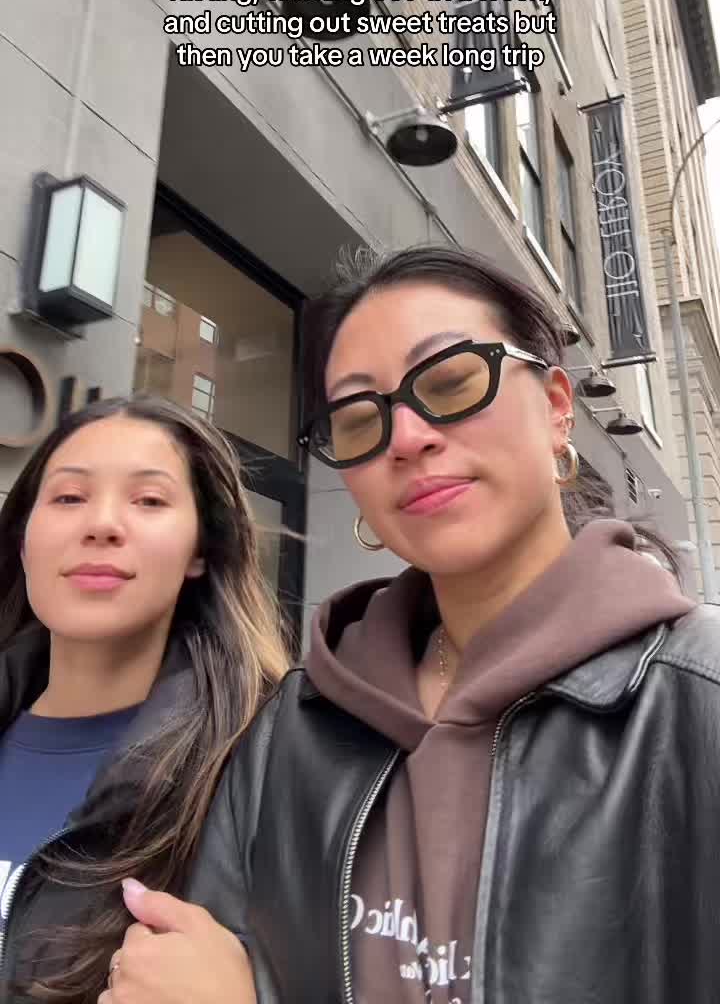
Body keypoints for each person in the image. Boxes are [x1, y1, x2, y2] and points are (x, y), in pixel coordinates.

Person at [103, 245, 720, 1004]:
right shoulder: (295, 727)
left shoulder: (696, 700)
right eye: (359, 419)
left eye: (452, 382)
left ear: (558, 407)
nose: (406, 437)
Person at [0, 394, 288, 1003]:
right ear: (24, 542)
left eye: (149, 500)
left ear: (200, 550)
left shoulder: (268, 767)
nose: (102, 524)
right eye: (69, 497)